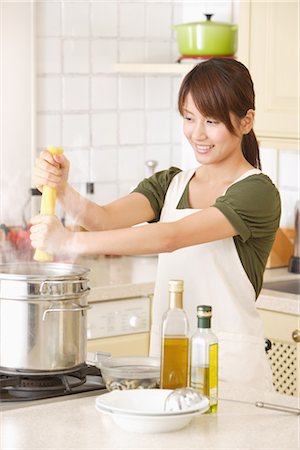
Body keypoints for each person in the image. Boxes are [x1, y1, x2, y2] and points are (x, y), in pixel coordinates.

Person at [30, 58, 281, 391]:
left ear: (246, 121)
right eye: (189, 118)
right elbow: (103, 219)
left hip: (230, 372)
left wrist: (69, 243)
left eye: (212, 120)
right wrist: (62, 188)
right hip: (169, 362)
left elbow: (170, 237)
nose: (197, 133)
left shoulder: (257, 191)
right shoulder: (171, 183)